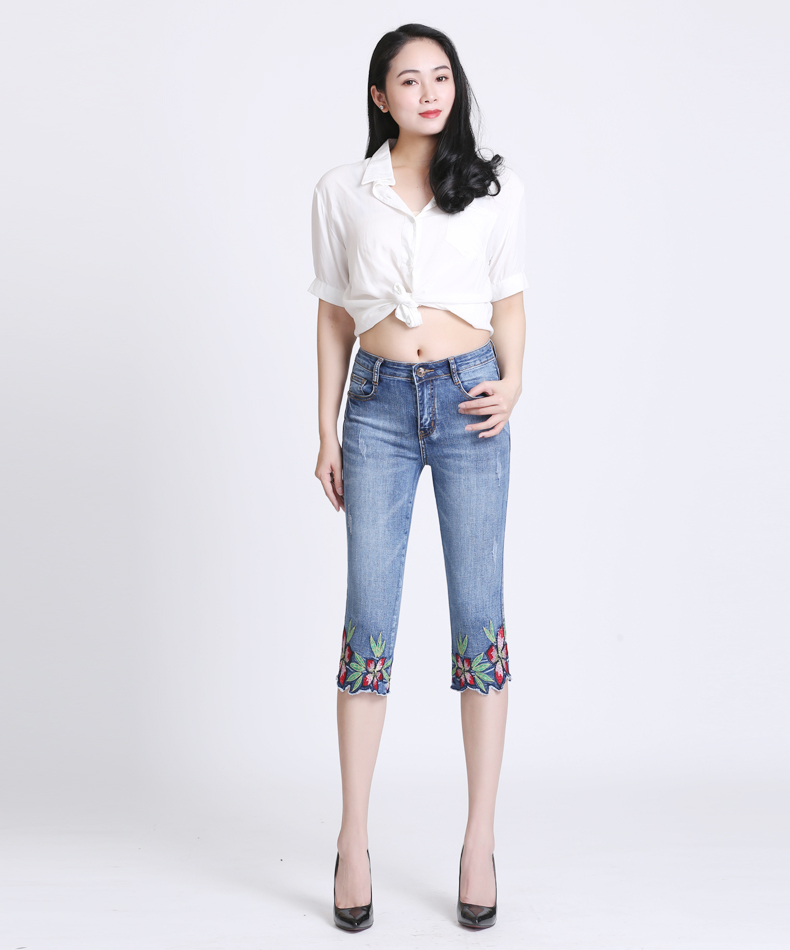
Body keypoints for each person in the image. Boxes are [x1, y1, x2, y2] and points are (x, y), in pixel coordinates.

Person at [310, 23, 528, 932]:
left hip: (472, 402)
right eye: (410, 79)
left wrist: (514, 382)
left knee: (479, 614)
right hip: (378, 410)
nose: (430, 92)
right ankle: (353, 839)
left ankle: (479, 841)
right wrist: (325, 429)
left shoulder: (492, 187)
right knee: (370, 616)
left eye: (442, 76)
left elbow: (509, 296)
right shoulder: (342, 191)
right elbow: (333, 314)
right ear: (380, 96)